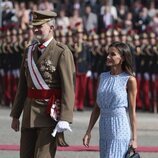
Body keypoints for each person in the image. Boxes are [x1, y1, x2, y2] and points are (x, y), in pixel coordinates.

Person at [10, 10, 76, 158]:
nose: (35, 29)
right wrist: (16, 114)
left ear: (51, 28)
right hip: (28, 114)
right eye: (34, 26)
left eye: (40, 26)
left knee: (43, 156)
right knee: (25, 155)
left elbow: (68, 87)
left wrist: (65, 117)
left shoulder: (62, 52)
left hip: (48, 115)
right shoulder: (29, 51)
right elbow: (22, 86)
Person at [83, 41, 138, 158]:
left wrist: (134, 138)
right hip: (104, 127)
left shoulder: (129, 79)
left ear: (122, 58)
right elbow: (97, 107)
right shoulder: (102, 77)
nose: (108, 57)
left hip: (120, 126)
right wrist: (88, 131)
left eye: (112, 54)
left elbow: (132, 112)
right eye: (108, 54)